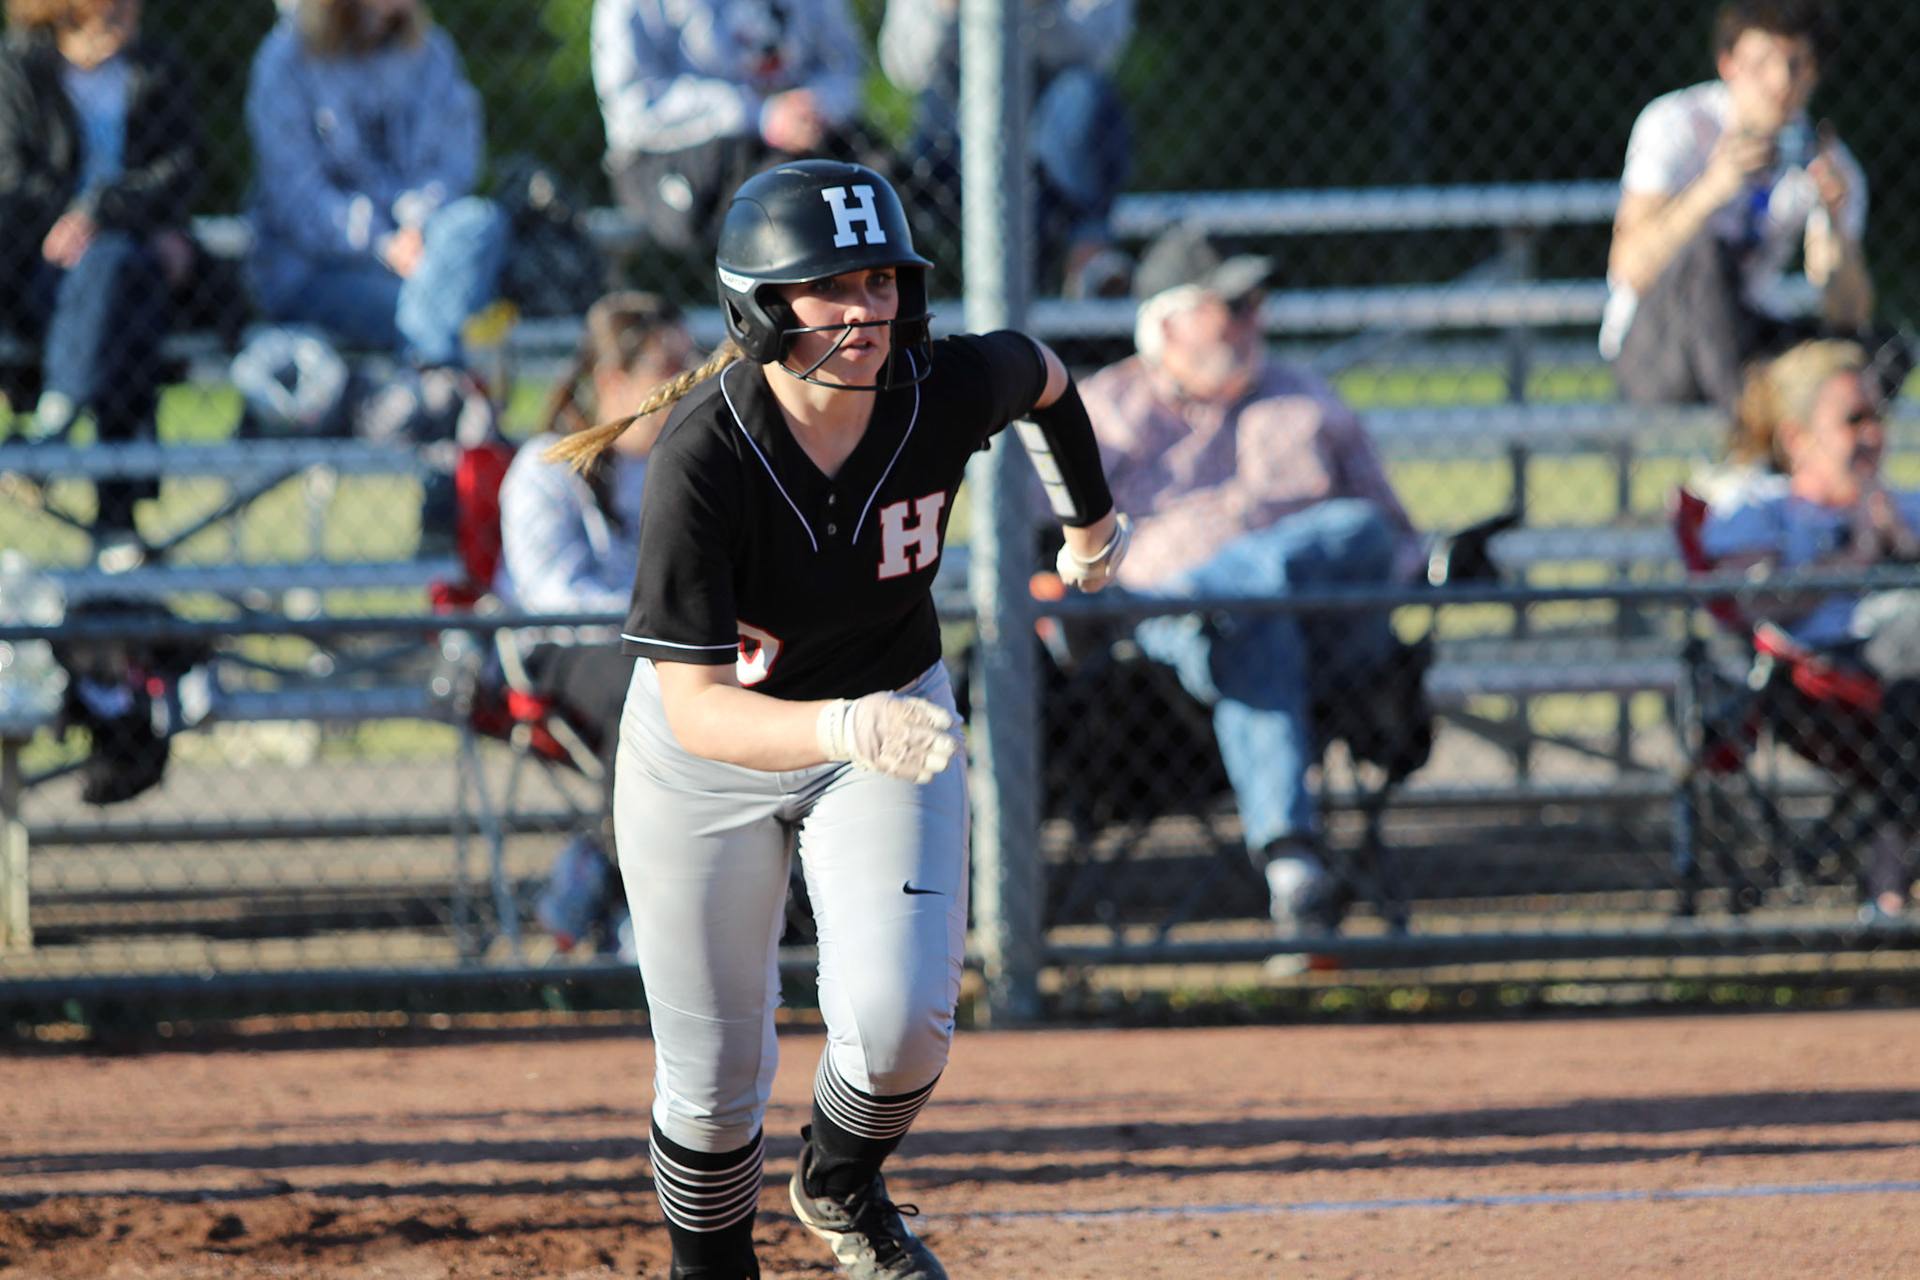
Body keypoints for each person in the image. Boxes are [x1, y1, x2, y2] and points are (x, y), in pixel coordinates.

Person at [547, 158, 1126, 1280]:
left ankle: (840, 1180)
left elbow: (1046, 377)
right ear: (760, 306)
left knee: (905, 1024)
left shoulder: (935, 386)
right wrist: (842, 728)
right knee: (713, 1085)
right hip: (710, 756)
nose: (866, 312)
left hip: (886, 718)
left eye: (881, 282)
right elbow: (698, 709)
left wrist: (1090, 525)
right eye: (830, 289)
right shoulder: (704, 453)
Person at [1078, 222, 1425, 938]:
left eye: (1256, 305)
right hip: (1170, 652)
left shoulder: (1307, 398)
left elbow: (1393, 537)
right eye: (1231, 307)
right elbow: (1054, 542)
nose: (1253, 322)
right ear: (1166, 324)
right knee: (1251, 627)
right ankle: (1294, 872)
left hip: (1326, 631)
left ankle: (1205, 596)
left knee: (1352, 528)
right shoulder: (1102, 414)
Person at [496, 293, 693, 954]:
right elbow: (553, 596)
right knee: (648, 692)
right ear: (614, 381)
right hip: (563, 648)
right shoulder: (548, 465)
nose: (688, 382)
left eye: (691, 362)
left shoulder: (691, 460)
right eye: (668, 368)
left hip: (665, 642)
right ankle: (627, 891)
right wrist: (663, 619)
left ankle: (763, 897)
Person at [1701, 339, 1916, 920]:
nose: (1872, 434)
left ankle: (1889, 876)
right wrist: (1853, 558)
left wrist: (1905, 546)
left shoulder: (1904, 507)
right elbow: (1749, 600)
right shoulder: (1761, 508)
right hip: (1816, 685)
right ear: (1797, 438)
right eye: (1853, 420)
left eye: (1877, 417)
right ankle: (1888, 874)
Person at [0, 0, 202, 563]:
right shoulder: (20, 68)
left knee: (119, 268)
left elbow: (182, 167)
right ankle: (119, 520)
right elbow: (11, 179)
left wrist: (106, 212)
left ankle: (56, 421)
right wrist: (77, 221)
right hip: (47, 270)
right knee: (118, 274)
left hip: (138, 259)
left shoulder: (154, 67)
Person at [1600, 0, 1871, 411]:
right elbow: (1628, 269)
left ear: (1815, 71)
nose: (1780, 81)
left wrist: (1833, 221)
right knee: (1708, 254)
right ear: (1728, 63)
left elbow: (1847, 315)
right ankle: (1749, 425)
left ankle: (1765, 419)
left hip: (1745, 333)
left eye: (1796, 64)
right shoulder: (1676, 125)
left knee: (1881, 352)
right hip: (1656, 345)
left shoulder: (1827, 162)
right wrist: (1712, 187)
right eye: (1762, 63)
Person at [243, 0, 509, 370]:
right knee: (435, 307)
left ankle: (427, 383)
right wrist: (383, 244)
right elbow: (298, 198)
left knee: (478, 221)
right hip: (321, 268)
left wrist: (415, 225)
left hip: (423, 250)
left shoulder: (432, 51)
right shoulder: (286, 58)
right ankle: (435, 378)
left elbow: (453, 164)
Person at [878, 0, 1133, 297]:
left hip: (1056, 125)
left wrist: (1033, 9)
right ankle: (926, 279)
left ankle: (1087, 262)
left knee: (1084, 92)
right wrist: (945, 9)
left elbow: (1097, 49)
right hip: (958, 126)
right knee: (936, 92)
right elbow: (905, 68)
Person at [591, 0, 873, 258]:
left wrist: (814, 104)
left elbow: (844, 65)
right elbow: (634, 103)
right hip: (679, 147)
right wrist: (759, 113)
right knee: (788, 197)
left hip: (807, 128)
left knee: (880, 183)